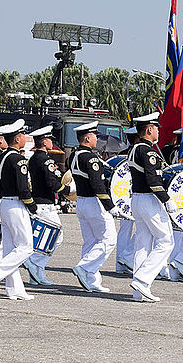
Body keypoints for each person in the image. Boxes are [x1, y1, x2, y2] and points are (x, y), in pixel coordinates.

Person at [0, 119, 39, 300]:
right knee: (26, 247)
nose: (25, 139)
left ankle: (14, 290)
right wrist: (32, 205)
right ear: (18, 138)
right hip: (15, 204)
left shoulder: (1, 158)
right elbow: (23, 188)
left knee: (9, 248)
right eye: (23, 136)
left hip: (4, 203)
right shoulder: (17, 159)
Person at [68, 121, 123, 293]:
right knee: (108, 239)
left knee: (91, 242)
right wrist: (110, 207)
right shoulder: (90, 158)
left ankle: (91, 280)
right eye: (94, 136)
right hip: (94, 202)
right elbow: (98, 185)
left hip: (82, 202)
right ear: (87, 138)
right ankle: (85, 268)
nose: (96, 139)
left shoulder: (74, 155)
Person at [127, 112, 175, 302]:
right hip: (149, 199)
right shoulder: (147, 151)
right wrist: (166, 199)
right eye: (156, 128)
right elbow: (153, 179)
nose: (158, 131)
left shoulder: (134, 148)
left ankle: (138, 292)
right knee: (166, 241)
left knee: (143, 244)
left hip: (137, 199)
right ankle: (142, 279)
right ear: (149, 129)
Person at [23, 125, 70, 285]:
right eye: (50, 139)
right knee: (56, 237)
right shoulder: (46, 159)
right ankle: (34, 263)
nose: (52, 143)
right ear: (44, 142)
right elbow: (52, 183)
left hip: (37, 201)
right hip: (45, 204)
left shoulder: (33, 158)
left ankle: (35, 274)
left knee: (43, 239)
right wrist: (67, 190)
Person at [115, 126, 138, 274]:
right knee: (143, 228)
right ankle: (126, 258)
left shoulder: (122, 154)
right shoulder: (140, 153)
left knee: (124, 230)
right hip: (135, 194)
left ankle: (120, 263)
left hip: (124, 195)